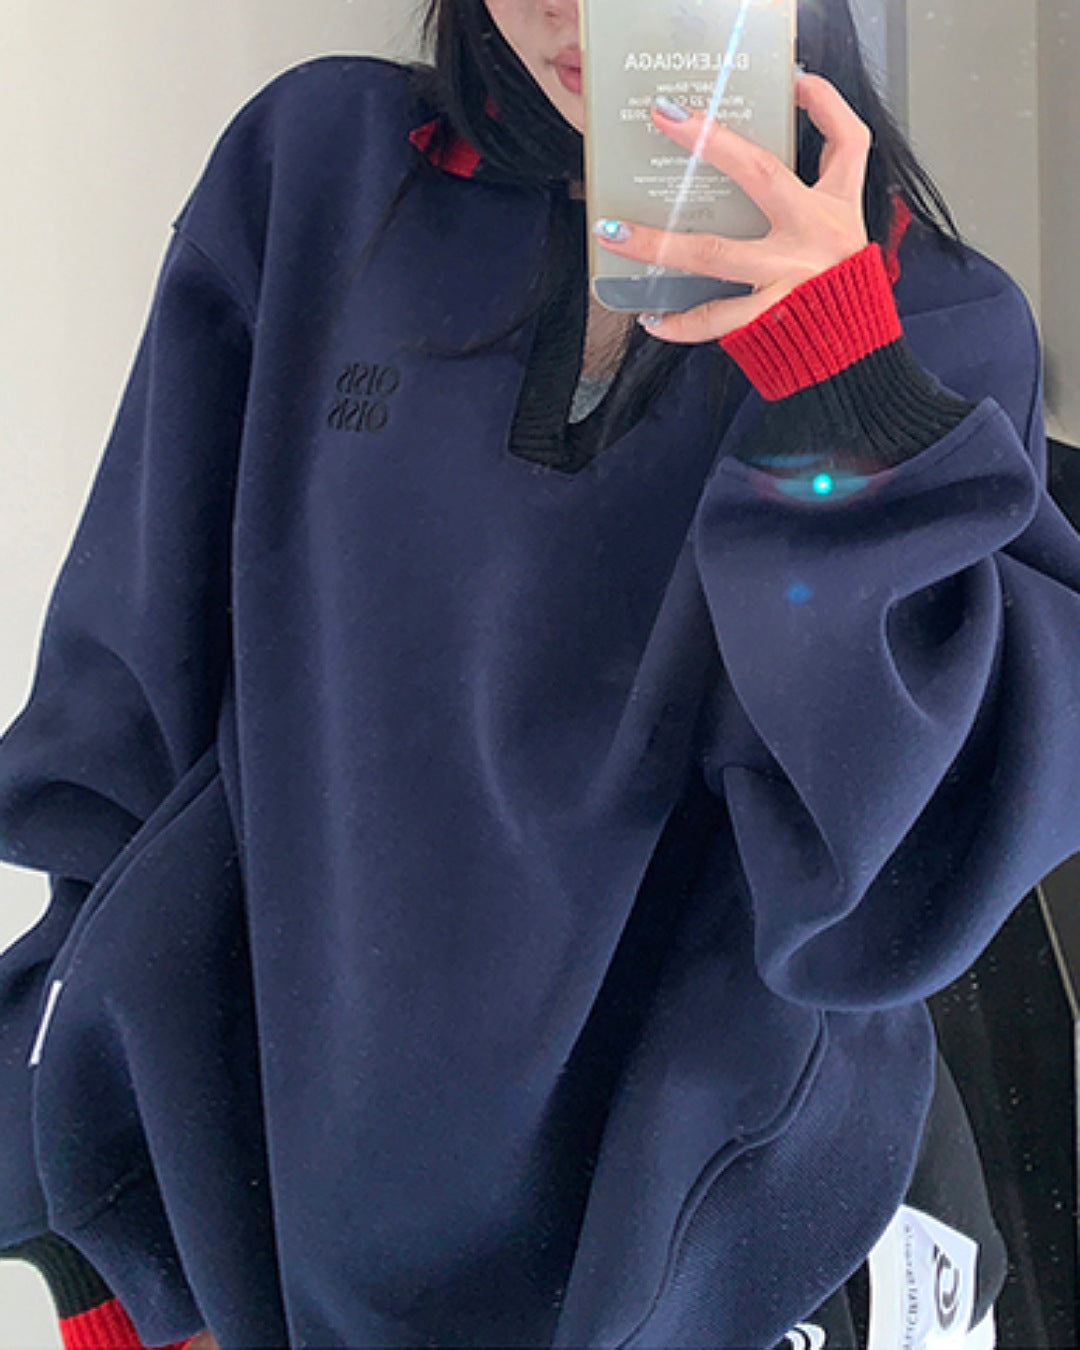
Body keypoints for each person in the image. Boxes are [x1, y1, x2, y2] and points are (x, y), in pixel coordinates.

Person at [0, 0, 1077, 1346]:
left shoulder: (936, 322)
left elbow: (909, 875)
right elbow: (113, 737)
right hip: (277, 1263)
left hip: (724, 1277)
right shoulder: (318, 176)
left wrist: (843, 384)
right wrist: (107, 1254)